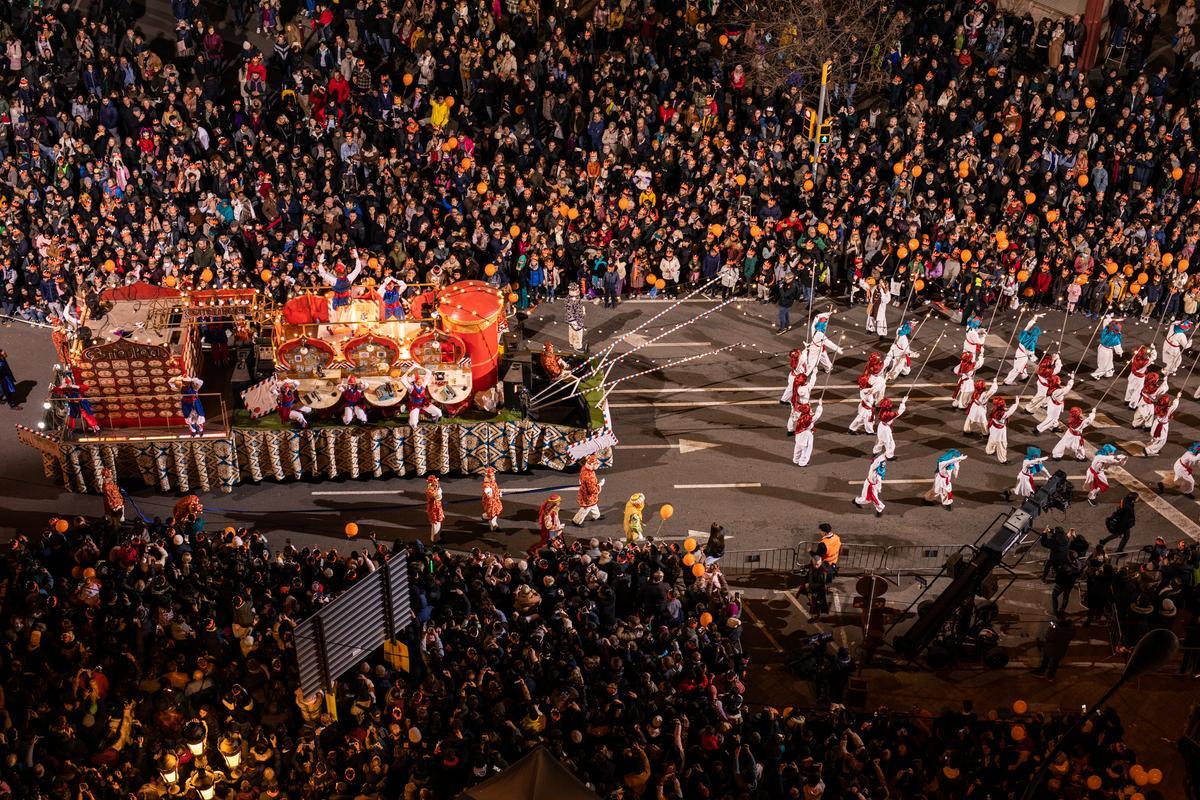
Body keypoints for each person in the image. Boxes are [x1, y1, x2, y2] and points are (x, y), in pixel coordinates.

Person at [1033, 609, 1076, 680]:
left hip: (1051, 648)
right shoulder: (1071, 630)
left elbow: (1048, 637)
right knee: (1055, 664)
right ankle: (1051, 677)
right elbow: (1072, 634)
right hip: (1061, 650)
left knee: (1046, 660)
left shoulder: (1057, 630)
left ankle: (1041, 672)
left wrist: (1051, 627)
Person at [1003, 313, 1045, 384]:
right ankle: (1007, 381)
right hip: (1023, 356)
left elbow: (1028, 325)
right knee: (1017, 369)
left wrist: (1035, 317)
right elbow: (1031, 352)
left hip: (1019, 351)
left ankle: (1024, 377)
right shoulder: (1033, 340)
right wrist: (1034, 359)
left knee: (1021, 367)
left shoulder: (1025, 334)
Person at [985, 396, 1020, 464]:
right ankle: (1003, 459)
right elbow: (1010, 412)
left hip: (993, 428)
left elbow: (1005, 410)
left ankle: (989, 451)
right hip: (1000, 430)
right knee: (1002, 444)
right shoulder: (1002, 414)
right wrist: (1016, 403)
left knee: (992, 439)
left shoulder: (994, 409)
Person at [572, 454, 604, 526]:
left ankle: (596, 515)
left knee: (594, 505)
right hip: (588, 496)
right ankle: (576, 521)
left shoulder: (584, 468)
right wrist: (600, 485)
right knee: (585, 509)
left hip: (584, 491)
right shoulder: (590, 477)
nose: (597, 466)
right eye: (596, 464)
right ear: (592, 465)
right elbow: (593, 491)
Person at [791, 401, 824, 467]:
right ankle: (802, 462)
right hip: (806, 435)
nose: (811, 410)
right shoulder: (809, 418)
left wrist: (808, 404)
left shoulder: (799, 416)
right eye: (810, 409)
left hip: (798, 435)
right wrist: (820, 405)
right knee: (806, 450)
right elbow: (817, 415)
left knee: (798, 448)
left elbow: (800, 409)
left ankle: (796, 460)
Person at [564, 283, 586, 350]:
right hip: (576, 319)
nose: (578, 290)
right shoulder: (571, 299)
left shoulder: (574, 297)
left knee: (572, 331)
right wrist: (573, 321)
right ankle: (577, 346)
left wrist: (583, 310)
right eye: (577, 289)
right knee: (577, 332)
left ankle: (572, 343)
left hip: (576, 318)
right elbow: (569, 311)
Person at [426, 475, 445, 541]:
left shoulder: (435, 486)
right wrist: (437, 488)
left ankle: (438, 535)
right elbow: (435, 495)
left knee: (441, 520)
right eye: (435, 481)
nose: (437, 482)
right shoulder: (430, 490)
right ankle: (435, 539)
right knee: (436, 522)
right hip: (434, 508)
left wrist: (437, 487)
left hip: (438, 505)